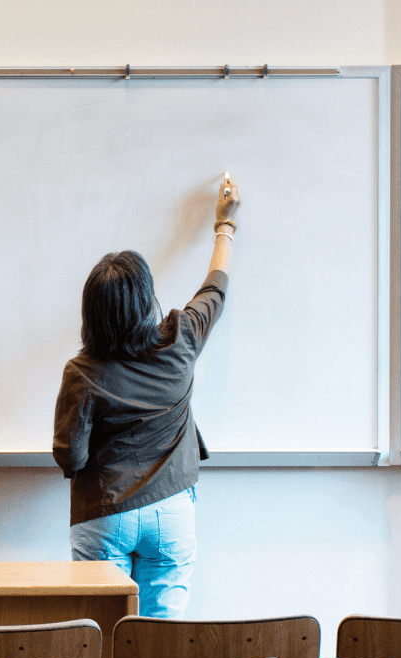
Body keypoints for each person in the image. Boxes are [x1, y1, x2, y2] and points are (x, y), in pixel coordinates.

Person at [52, 175, 240, 618]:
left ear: (91, 313)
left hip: (103, 513)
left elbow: (70, 458)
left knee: (104, 636)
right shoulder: (182, 338)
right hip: (172, 512)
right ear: (146, 301)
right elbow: (215, 288)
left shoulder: (82, 372)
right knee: (160, 644)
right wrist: (224, 227)